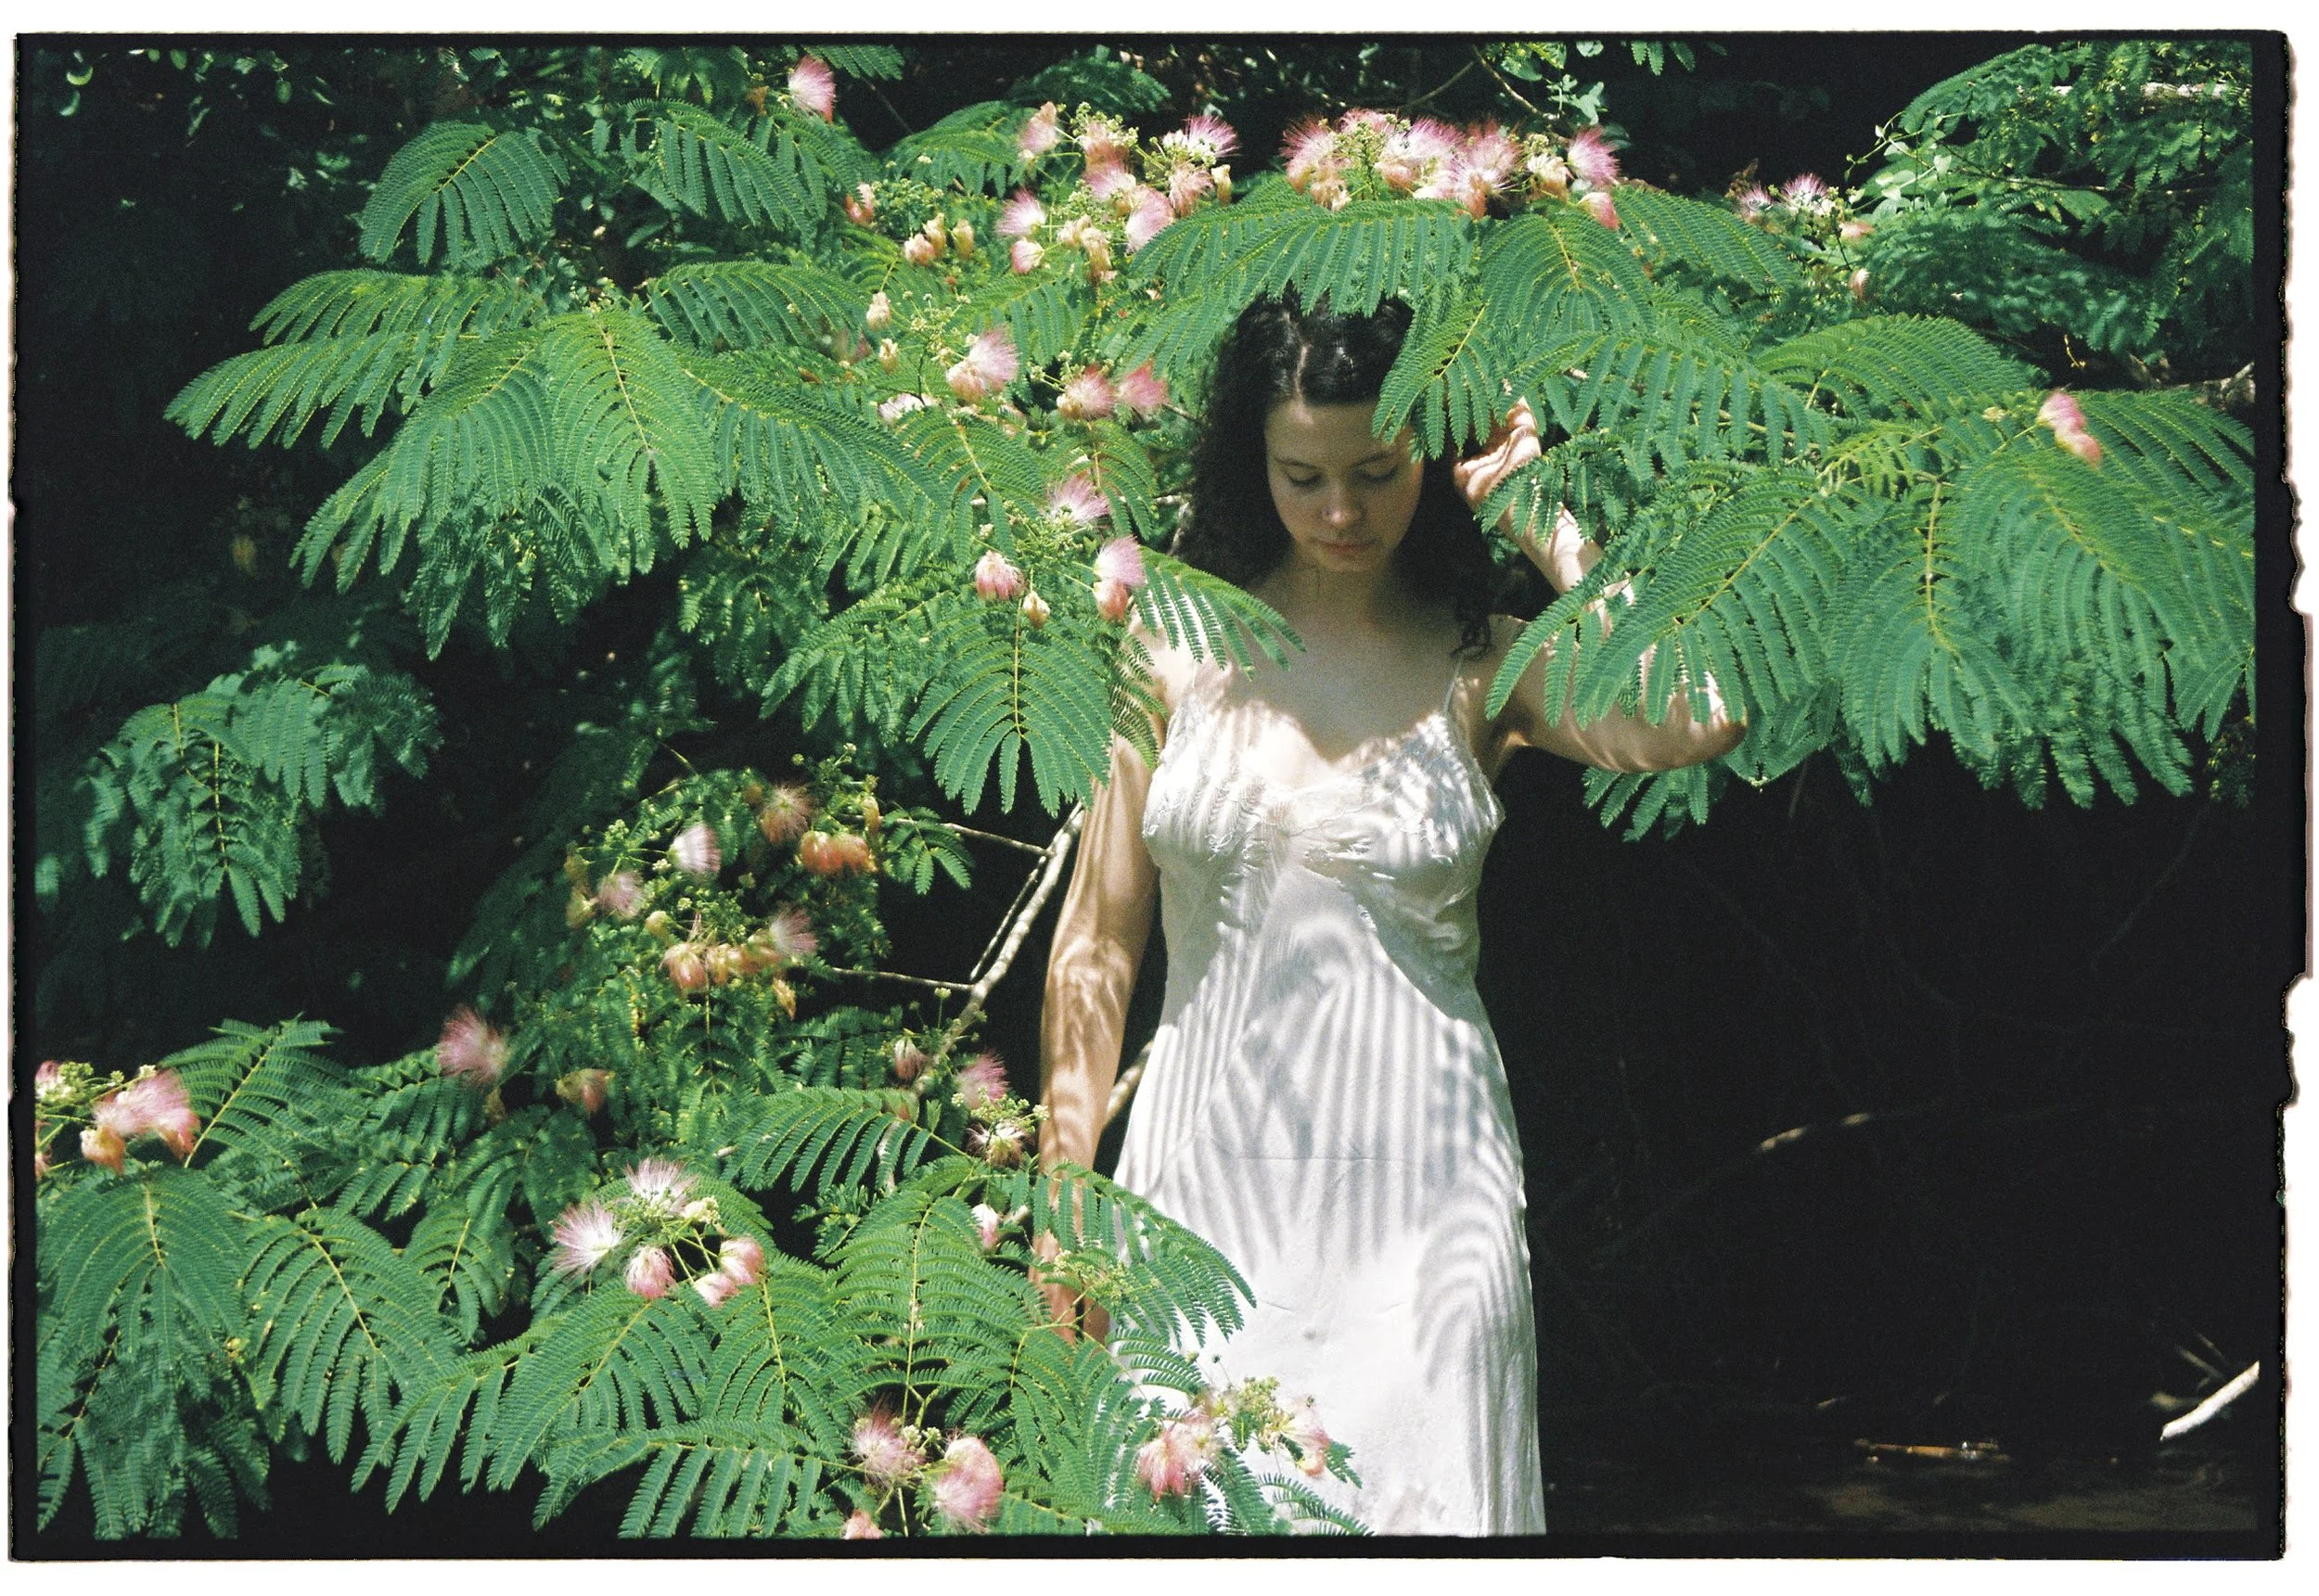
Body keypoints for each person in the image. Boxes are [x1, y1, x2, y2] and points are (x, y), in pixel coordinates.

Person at [1036, 289, 1745, 1534]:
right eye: (1302, 475)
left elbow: (1700, 713)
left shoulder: (1487, 663)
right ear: (1251, 465)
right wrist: (1063, 1187)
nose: (1342, 511)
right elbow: (1100, 938)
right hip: (1203, 1183)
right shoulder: (1170, 644)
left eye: (1376, 469)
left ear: (1436, 449)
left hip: (1430, 1205)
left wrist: (1549, 529)